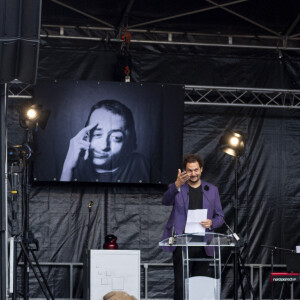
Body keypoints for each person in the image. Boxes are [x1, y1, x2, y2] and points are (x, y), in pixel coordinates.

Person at [160, 153, 224, 300]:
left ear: (201, 169)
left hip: (204, 244)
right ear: (184, 171)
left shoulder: (211, 190)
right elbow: (165, 201)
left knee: (199, 286)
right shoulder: (177, 187)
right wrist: (176, 185)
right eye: (189, 170)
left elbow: (220, 217)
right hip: (182, 244)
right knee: (181, 286)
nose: (193, 174)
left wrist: (212, 222)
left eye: (196, 170)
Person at [60, 99, 150, 183]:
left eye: (116, 137)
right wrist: (67, 170)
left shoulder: (142, 164)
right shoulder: (75, 166)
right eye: (97, 134)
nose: (103, 146)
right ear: (86, 134)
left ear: (128, 141)